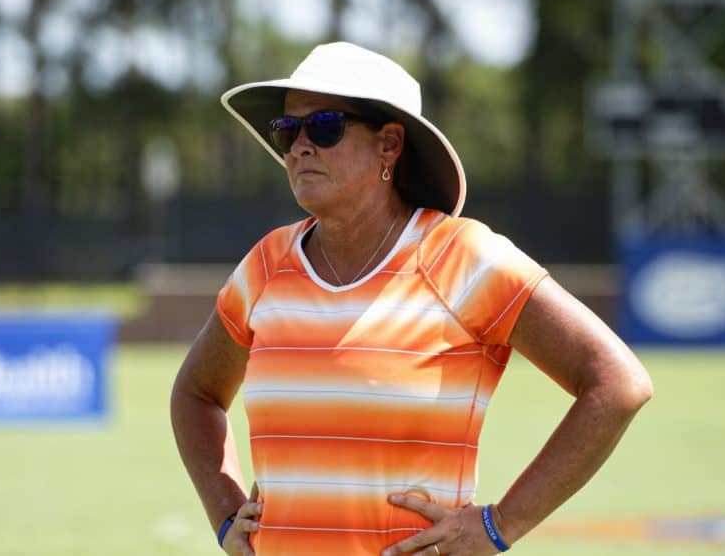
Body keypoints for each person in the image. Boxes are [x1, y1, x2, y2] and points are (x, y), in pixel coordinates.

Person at [170, 41, 653, 556]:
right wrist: (224, 512)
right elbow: (196, 395)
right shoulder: (265, 265)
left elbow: (617, 382)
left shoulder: (464, 256)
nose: (300, 147)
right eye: (287, 131)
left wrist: (498, 526)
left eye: (325, 127)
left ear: (390, 145)